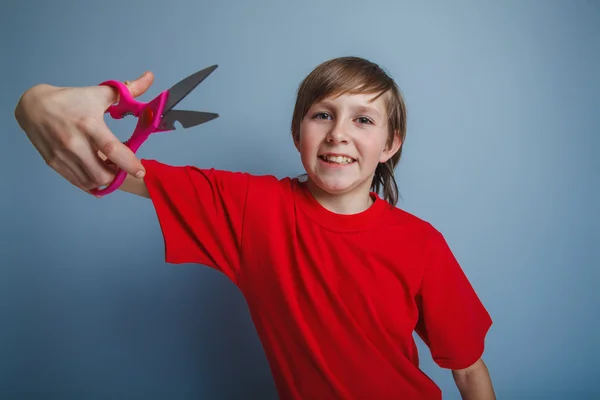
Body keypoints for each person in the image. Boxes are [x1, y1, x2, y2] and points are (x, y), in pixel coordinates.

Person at [14, 56, 495, 399]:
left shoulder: (421, 243)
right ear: (296, 134)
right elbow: (110, 170)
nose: (338, 133)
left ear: (391, 144)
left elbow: (470, 372)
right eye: (322, 114)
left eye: (363, 119)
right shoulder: (250, 208)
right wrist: (35, 102)